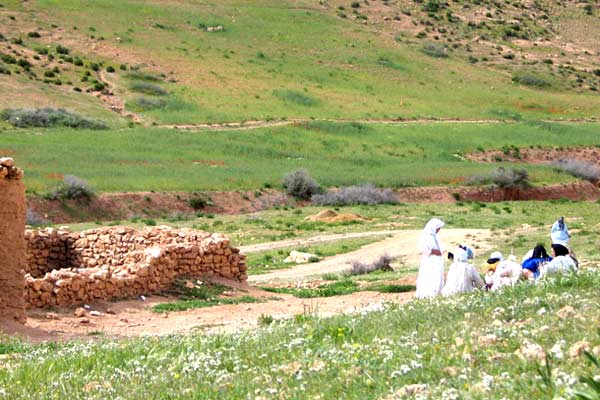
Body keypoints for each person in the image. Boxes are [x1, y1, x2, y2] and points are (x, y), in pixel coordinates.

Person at [415, 218, 445, 299]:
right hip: (430, 261)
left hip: (437, 260)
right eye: (438, 228)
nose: (439, 230)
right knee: (430, 277)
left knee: (438, 277)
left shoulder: (435, 236)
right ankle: (427, 295)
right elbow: (423, 248)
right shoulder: (426, 235)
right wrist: (434, 252)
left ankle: (437, 294)